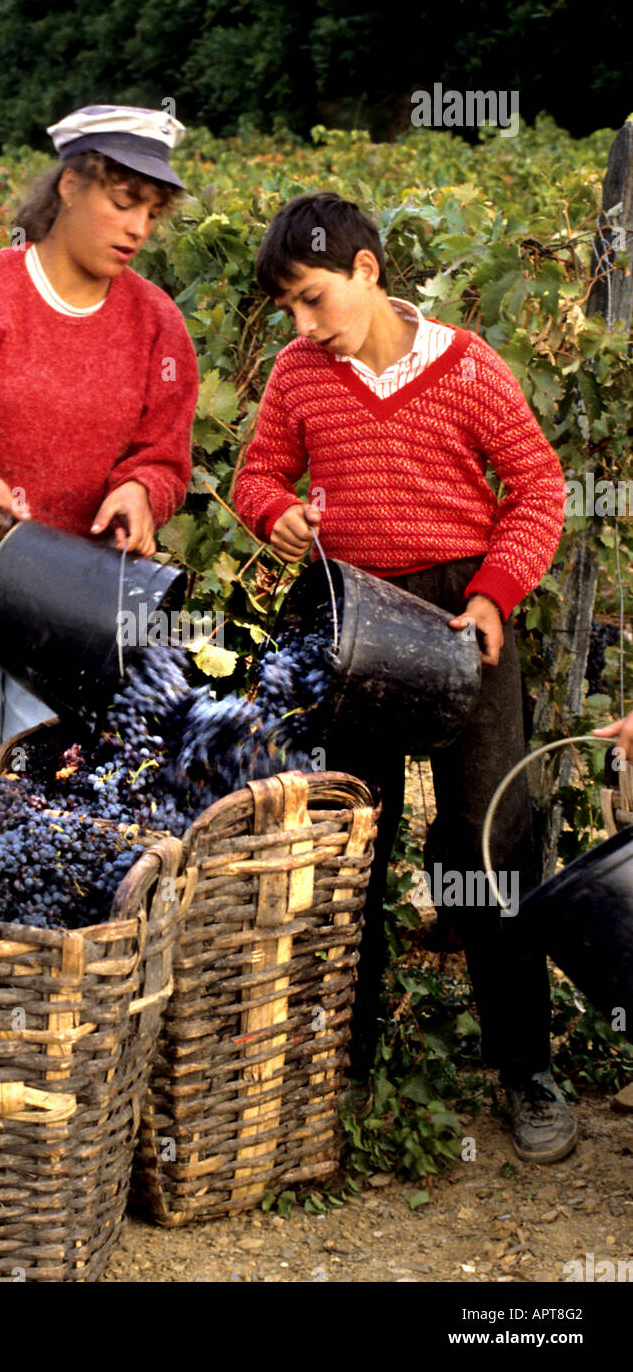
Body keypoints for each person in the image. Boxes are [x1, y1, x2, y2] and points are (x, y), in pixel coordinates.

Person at [233, 190, 574, 1163]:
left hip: (466, 617)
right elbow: (258, 475)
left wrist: (494, 595)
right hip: (356, 623)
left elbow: (539, 485)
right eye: (290, 309)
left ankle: (524, 1065)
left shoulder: (469, 368)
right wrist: (277, 515)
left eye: (312, 300)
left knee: (490, 837)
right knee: (352, 839)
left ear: (368, 271)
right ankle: (344, 1056)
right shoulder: (300, 376)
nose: (302, 326)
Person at [0, 105, 199, 838]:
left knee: (43, 796)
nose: (140, 228)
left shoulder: (157, 326)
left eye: (152, 210)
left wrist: (141, 492)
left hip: (74, 589)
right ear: (70, 186)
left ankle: (25, 954)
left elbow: (166, 458)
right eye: (123, 202)